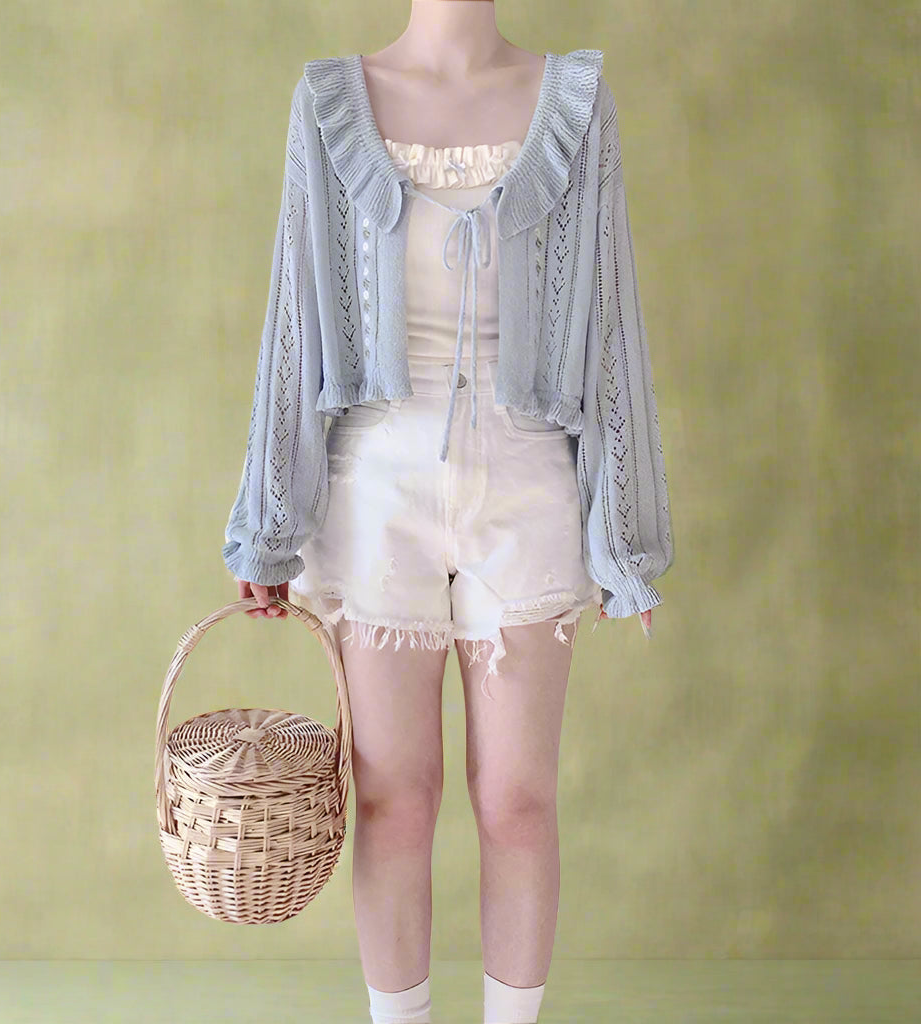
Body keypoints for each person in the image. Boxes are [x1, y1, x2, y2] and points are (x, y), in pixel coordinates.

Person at [227, 4, 674, 1022]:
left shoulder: (575, 105)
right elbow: (295, 318)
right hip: (373, 490)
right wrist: (268, 522)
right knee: (394, 799)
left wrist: (624, 536)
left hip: (530, 482)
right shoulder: (329, 103)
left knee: (517, 799)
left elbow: (610, 324)